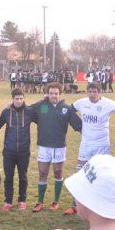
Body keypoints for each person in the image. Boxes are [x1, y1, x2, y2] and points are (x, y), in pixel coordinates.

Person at [69, 81, 115, 214]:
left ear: (100, 92)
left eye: (95, 92)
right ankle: (76, 204)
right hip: (86, 144)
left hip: (101, 145)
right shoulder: (81, 103)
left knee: (101, 173)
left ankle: (100, 203)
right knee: (80, 172)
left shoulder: (108, 103)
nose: (92, 94)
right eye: (90, 91)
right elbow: (67, 109)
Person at [30, 82, 82, 213]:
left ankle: (56, 201)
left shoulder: (66, 108)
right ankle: (40, 202)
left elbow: (79, 125)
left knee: (58, 172)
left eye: (56, 93)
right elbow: (27, 111)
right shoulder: (41, 106)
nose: (54, 95)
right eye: (51, 93)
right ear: (47, 94)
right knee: (42, 173)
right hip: (44, 145)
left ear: (60, 94)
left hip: (59, 146)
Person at [0, 88, 36, 211]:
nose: (19, 101)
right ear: (12, 99)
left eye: (21, 98)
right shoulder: (6, 112)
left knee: (23, 177)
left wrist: (45, 100)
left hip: (24, 151)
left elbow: (43, 121)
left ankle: (22, 201)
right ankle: (8, 201)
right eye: (16, 99)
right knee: (8, 177)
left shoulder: (29, 111)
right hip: (9, 150)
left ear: (24, 98)